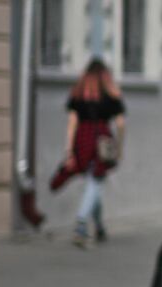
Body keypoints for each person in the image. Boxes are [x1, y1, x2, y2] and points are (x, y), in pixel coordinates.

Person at [49, 59, 124, 247]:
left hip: (82, 139)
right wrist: (119, 148)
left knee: (95, 181)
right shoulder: (110, 92)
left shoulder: (79, 92)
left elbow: (72, 123)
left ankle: (99, 226)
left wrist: (69, 150)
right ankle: (81, 224)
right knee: (96, 180)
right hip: (102, 139)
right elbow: (121, 124)